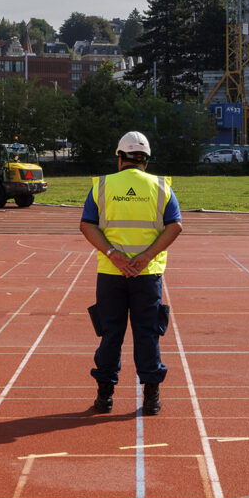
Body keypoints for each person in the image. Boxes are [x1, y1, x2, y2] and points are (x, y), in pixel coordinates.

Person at [78, 130, 183, 416]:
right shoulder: (161, 187)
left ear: (119, 157)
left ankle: (104, 398)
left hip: (111, 274)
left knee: (111, 334)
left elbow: (87, 225)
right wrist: (146, 256)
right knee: (147, 334)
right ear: (145, 160)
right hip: (147, 275)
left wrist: (114, 255)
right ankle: (151, 399)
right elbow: (175, 225)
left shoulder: (102, 185)